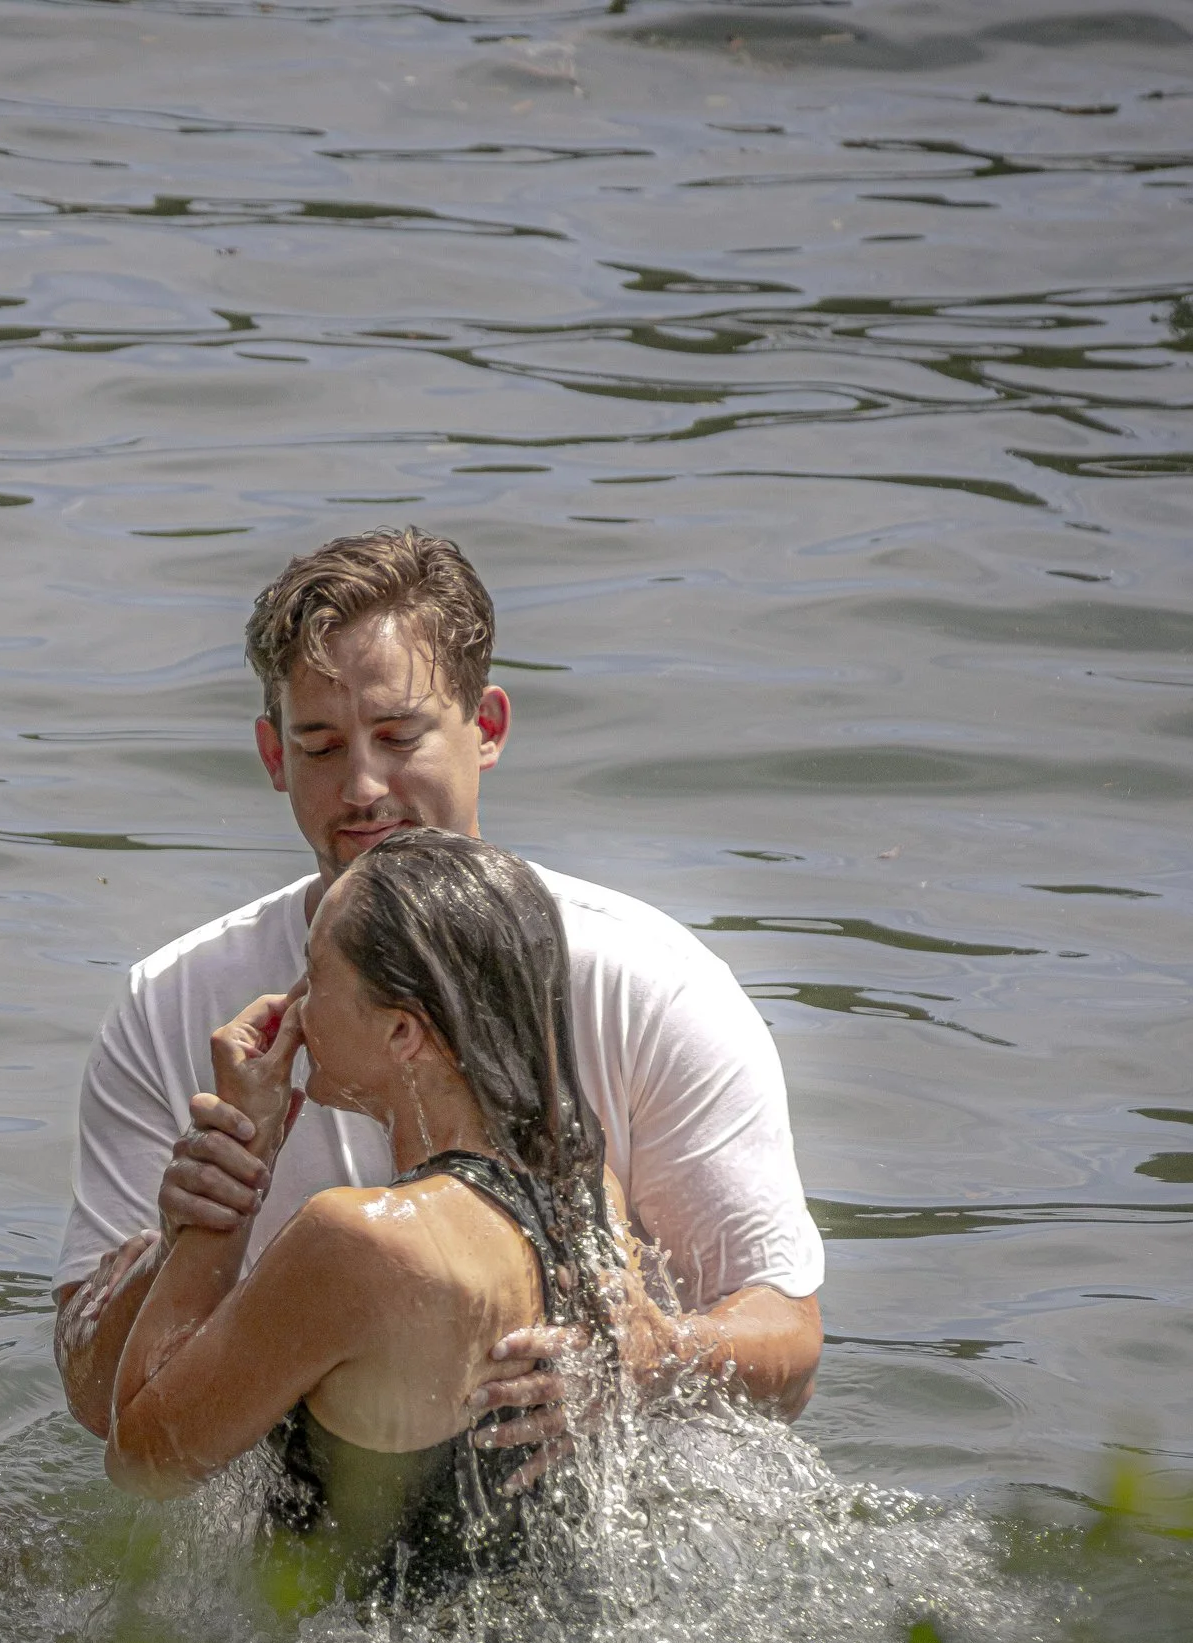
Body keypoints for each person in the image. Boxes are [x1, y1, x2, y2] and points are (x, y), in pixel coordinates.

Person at [55, 529, 823, 1463]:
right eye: (322, 745)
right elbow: (94, 1400)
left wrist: (650, 1356)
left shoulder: (651, 988)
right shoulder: (172, 1003)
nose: (363, 787)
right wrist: (192, 1224)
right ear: (272, 755)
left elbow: (790, 1343)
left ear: (486, 728)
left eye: (398, 736)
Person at [109, 827, 631, 1635]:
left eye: (315, 976)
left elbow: (145, 1458)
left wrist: (237, 1165)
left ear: (402, 1031)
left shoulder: (364, 1241)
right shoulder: (585, 1189)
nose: (293, 1006)